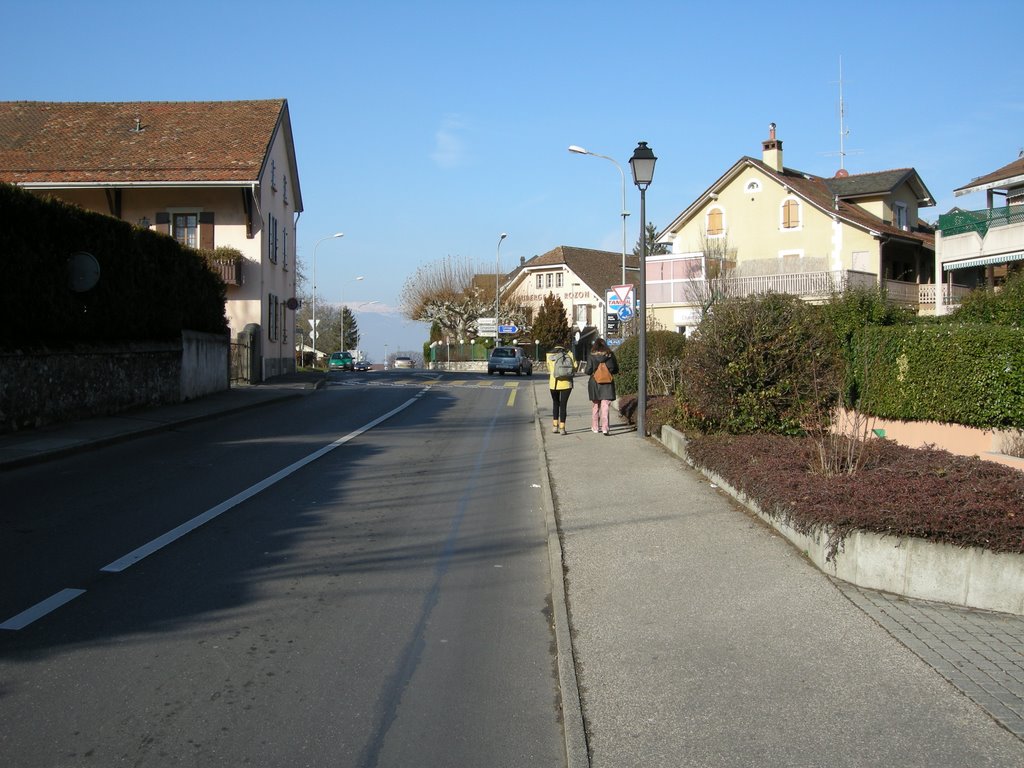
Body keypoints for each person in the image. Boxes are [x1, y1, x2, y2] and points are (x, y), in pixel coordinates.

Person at [585, 338, 618, 436]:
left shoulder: (592, 355)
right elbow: (615, 369)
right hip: (607, 383)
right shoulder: (610, 355)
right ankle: (605, 428)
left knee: (596, 405)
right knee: (605, 405)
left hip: (594, 383)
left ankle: (595, 427)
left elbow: (588, 370)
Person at [547, 345, 575, 435]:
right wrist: (570, 354)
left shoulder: (549, 355)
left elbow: (549, 368)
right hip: (566, 384)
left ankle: (555, 426)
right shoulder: (569, 355)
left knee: (555, 404)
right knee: (563, 406)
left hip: (554, 384)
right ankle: (562, 428)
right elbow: (575, 367)